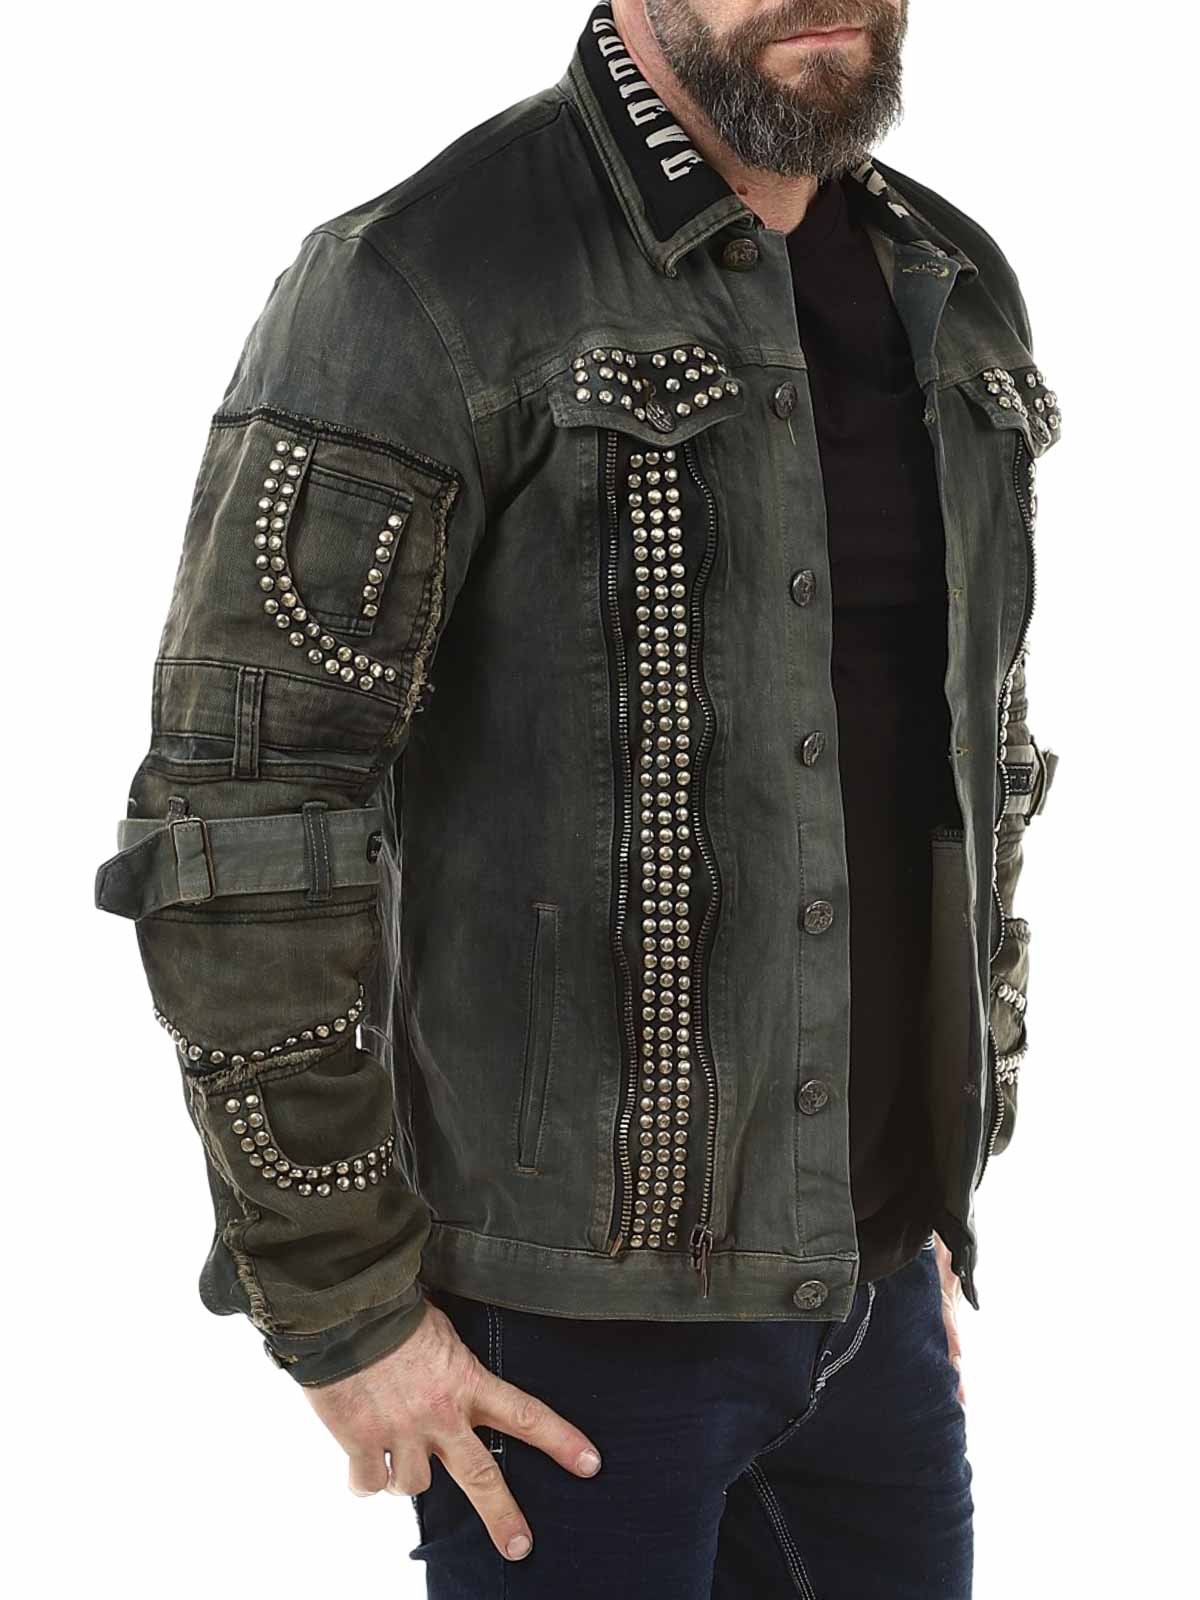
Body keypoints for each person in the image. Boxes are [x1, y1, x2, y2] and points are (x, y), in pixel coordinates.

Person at [93, 2, 1061, 1593]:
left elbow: (977, 770)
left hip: (878, 1302)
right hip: (558, 1348)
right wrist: (344, 1310)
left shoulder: (951, 284)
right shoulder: (424, 279)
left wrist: (938, 1190)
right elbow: (244, 819)